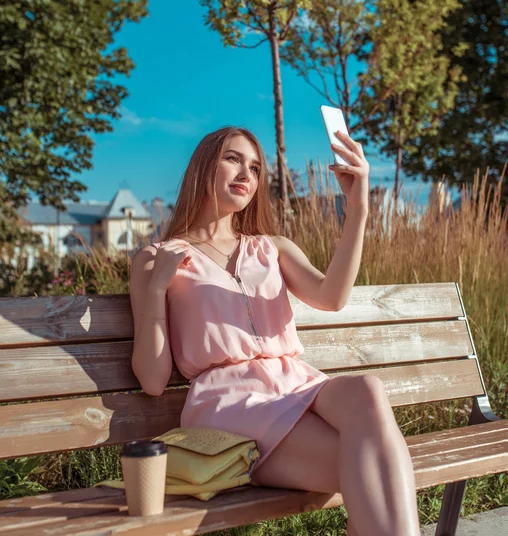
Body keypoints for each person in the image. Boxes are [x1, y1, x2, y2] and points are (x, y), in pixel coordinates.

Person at [130, 126, 421, 536]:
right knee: (377, 469)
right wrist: (159, 286)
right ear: (202, 166)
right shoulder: (157, 258)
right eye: (233, 159)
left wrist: (358, 208)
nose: (246, 173)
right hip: (228, 406)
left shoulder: (272, 248)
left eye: (255, 166)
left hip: (295, 385)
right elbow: (153, 380)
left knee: (367, 391)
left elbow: (332, 297)